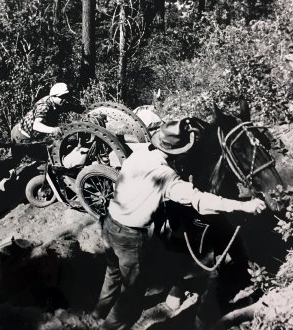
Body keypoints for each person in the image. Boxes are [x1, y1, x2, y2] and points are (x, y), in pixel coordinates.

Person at [91, 119, 266, 330]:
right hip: (130, 238)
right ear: (177, 153)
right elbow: (199, 200)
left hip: (109, 224)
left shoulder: (139, 154)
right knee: (132, 297)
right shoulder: (166, 176)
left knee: (112, 273)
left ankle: (99, 312)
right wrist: (243, 206)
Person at [9, 82, 86, 164]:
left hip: (34, 137)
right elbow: (36, 125)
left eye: (66, 96)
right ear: (53, 96)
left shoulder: (60, 103)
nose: (65, 99)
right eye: (62, 97)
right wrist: (53, 130)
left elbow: (78, 109)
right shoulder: (44, 105)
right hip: (22, 135)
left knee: (48, 158)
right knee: (14, 160)